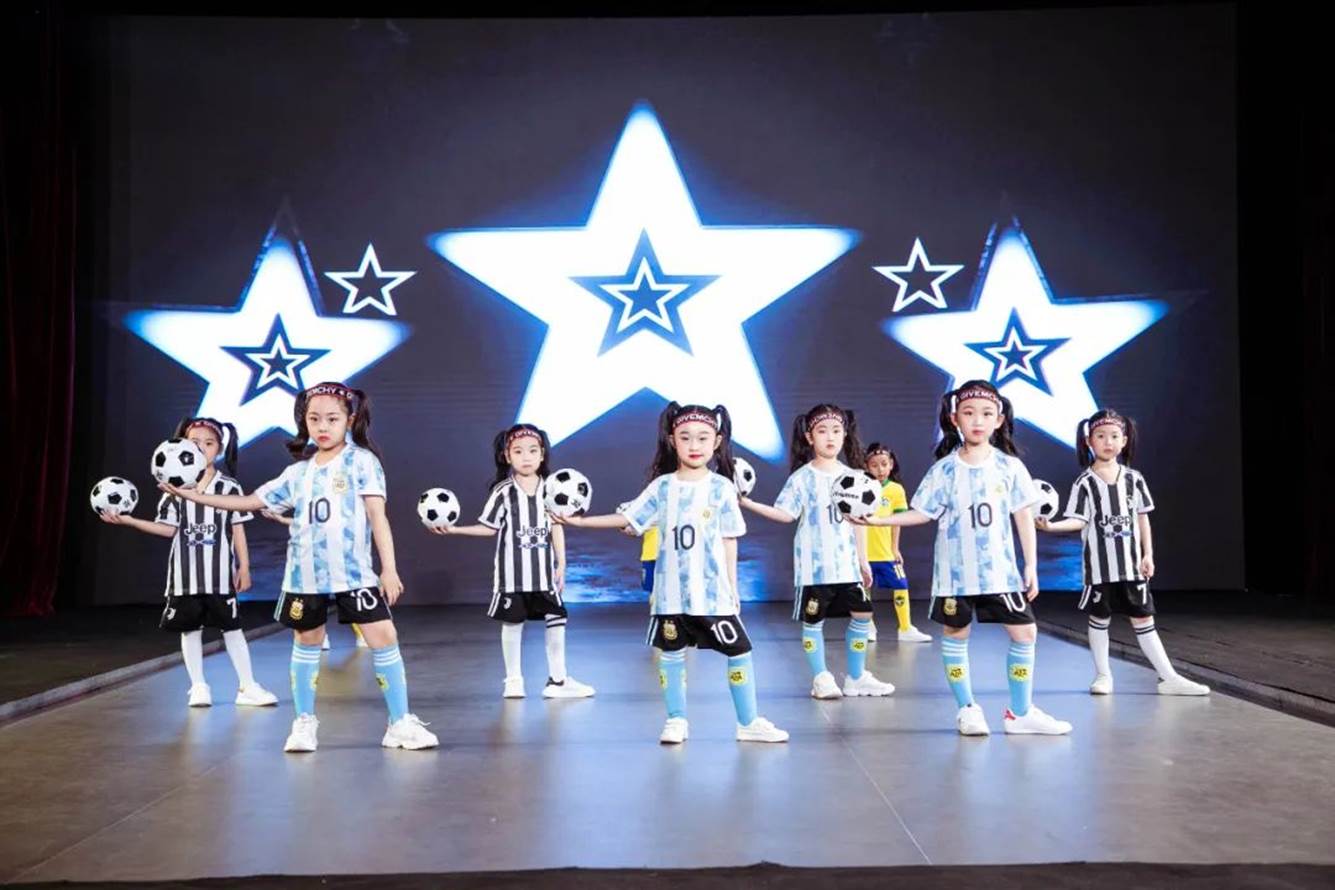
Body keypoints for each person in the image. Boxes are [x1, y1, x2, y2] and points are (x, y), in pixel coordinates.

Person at [162, 382, 438, 752]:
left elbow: (377, 517)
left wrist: (389, 568)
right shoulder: (298, 473)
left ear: (350, 420)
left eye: (332, 419)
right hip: (303, 576)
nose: (323, 426)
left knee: (384, 637)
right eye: (314, 419)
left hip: (353, 573)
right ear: (304, 421)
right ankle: (304, 723)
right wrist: (190, 494)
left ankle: (399, 723)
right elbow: (250, 501)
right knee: (307, 641)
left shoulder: (362, 462)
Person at [556, 402, 787, 744]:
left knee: (739, 651)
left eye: (703, 438)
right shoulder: (662, 487)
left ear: (717, 442)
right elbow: (629, 518)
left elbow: (729, 540)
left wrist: (732, 587)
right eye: (685, 437)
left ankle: (748, 722)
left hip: (712, 594)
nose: (694, 445)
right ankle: (676, 720)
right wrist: (581, 523)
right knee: (672, 655)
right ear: (671, 440)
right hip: (671, 595)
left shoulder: (722, 488)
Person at [851, 380, 1071, 736]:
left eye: (986, 413)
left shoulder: (1010, 467)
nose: (977, 421)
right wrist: (876, 520)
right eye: (969, 413)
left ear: (999, 419)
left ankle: (1020, 713)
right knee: (956, 635)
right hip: (955, 574)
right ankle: (967, 709)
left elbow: (1023, 515)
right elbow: (922, 513)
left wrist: (1030, 564)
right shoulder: (944, 470)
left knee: (1025, 633)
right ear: (955, 419)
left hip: (1000, 573)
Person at [102, 417, 277, 709]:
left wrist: (244, 566)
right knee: (190, 630)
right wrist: (130, 521)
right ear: (182, 447)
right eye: (195, 443)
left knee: (233, 629)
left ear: (219, 449)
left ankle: (247, 686)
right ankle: (198, 686)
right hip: (184, 578)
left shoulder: (228, 487)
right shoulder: (174, 489)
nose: (202, 448)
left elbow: (237, 528)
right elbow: (167, 530)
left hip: (220, 577)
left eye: (209, 443)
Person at [1037, 408, 1208, 696]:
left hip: (1131, 567)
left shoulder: (1134, 479)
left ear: (1124, 440)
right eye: (1101, 436)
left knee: (1143, 620)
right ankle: (1103, 675)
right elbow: (1079, 520)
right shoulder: (1085, 483)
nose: (1108, 442)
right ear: (1089, 441)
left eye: (1114, 436)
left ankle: (1168, 677)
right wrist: (1051, 527)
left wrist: (1147, 554)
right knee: (1099, 620)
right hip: (1099, 570)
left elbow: (1142, 519)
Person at [740, 404, 895, 699]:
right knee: (813, 622)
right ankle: (821, 677)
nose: (830, 437)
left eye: (836, 430)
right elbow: (785, 514)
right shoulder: (802, 478)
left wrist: (863, 560)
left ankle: (856, 677)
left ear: (845, 434)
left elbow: (859, 522)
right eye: (822, 431)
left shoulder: (857, 477)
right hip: (814, 568)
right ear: (810, 437)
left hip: (847, 566)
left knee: (863, 615)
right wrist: (748, 503)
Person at [430, 423, 594, 699]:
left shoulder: (553, 489)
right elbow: (489, 528)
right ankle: (514, 680)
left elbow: (557, 526)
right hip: (511, 577)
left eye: (532, 450)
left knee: (557, 619)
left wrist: (562, 563)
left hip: (544, 576)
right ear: (507, 456)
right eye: (518, 451)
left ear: (542, 454)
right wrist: (455, 529)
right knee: (512, 623)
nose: (526, 457)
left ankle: (558, 680)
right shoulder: (503, 492)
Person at [862, 442, 931, 644]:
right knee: (864, 590)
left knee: (901, 585)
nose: (880, 469)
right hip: (864, 551)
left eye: (884, 464)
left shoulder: (895, 490)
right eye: (874, 465)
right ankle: (868, 626)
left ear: (891, 464)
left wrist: (894, 548)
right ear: (867, 466)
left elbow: (897, 521)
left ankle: (905, 627)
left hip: (885, 552)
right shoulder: (859, 487)